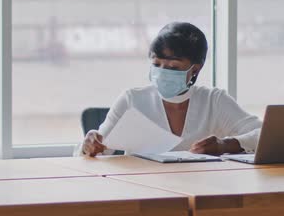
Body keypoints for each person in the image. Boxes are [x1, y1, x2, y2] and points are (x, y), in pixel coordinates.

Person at [77, 22, 262, 157]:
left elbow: (265, 135)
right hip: (143, 196)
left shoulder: (214, 101)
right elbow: (96, 153)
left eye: (173, 67)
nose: (163, 72)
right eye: (157, 64)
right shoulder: (132, 100)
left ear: (195, 69)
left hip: (202, 193)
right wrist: (89, 146)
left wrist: (225, 145)